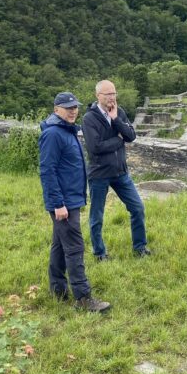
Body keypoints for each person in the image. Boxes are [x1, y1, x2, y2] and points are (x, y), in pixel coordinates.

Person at [39, 92, 111, 313]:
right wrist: (58, 203)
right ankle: (83, 297)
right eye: (67, 107)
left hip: (71, 198)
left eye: (75, 107)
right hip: (64, 201)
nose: (73, 110)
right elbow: (47, 170)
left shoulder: (67, 130)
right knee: (75, 247)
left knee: (60, 245)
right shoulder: (53, 134)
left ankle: (58, 289)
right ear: (56, 109)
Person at [82, 80, 150, 260]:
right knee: (97, 216)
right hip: (99, 174)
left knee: (137, 208)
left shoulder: (119, 113)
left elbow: (131, 136)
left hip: (121, 172)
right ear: (98, 96)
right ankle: (99, 253)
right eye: (108, 94)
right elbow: (95, 147)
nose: (112, 97)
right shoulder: (89, 119)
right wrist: (119, 140)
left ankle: (140, 248)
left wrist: (116, 120)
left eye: (114, 93)